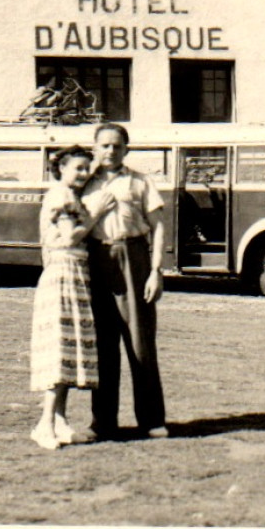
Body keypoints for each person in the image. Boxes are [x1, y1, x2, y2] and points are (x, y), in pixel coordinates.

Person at [81, 123, 168, 440]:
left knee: (140, 344)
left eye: (116, 145)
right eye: (104, 145)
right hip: (96, 260)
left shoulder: (140, 182)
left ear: (126, 149)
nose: (110, 151)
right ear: (94, 149)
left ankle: (152, 420)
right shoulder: (83, 182)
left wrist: (156, 270)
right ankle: (102, 422)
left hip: (134, 258)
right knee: (103, 346)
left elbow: (158, 227)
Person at [28, 146, 113, 450]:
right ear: (61, 168)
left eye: (86, 168)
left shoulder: (71, 196)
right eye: (78, 167)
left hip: (75, 273)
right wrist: (97, 214)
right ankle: (45, 424)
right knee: (59, 350)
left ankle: (60, 422)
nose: (83, 173)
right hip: (63, 273)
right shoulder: (61, 196)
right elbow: (69, 237)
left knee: (68, 350)